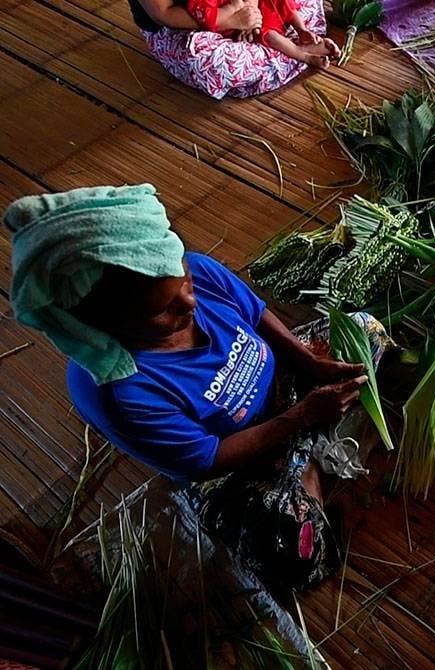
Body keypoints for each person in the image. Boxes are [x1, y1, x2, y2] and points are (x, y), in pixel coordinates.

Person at [5, 184, 387, 589]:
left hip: (288, 391)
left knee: (367, 332)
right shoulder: (120, 391)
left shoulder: (196, 272)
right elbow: (208, 459)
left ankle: (311, 462)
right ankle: (307, 462)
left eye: (184, 282)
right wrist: (303, 417)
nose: (189, 303)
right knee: (290, 554)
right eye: (161, 310)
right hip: (241, 459)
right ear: (102, 322)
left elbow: (255, 315)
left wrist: (307, 360)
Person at [127, 0, 331, 98]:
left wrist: (249, 9)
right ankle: (297, 52)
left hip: (237, 7)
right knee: (213, 64)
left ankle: (299, 34)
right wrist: (230, 18)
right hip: (181, 27)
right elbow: (163, 15)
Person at [186, 0, 340, 68]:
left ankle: (302, 31)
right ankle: (302, 54)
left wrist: (251, 6)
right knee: (268, 34)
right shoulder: (198, 2)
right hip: (237, 24)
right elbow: (208, 17)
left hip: (256, 9)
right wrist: (234, 8)